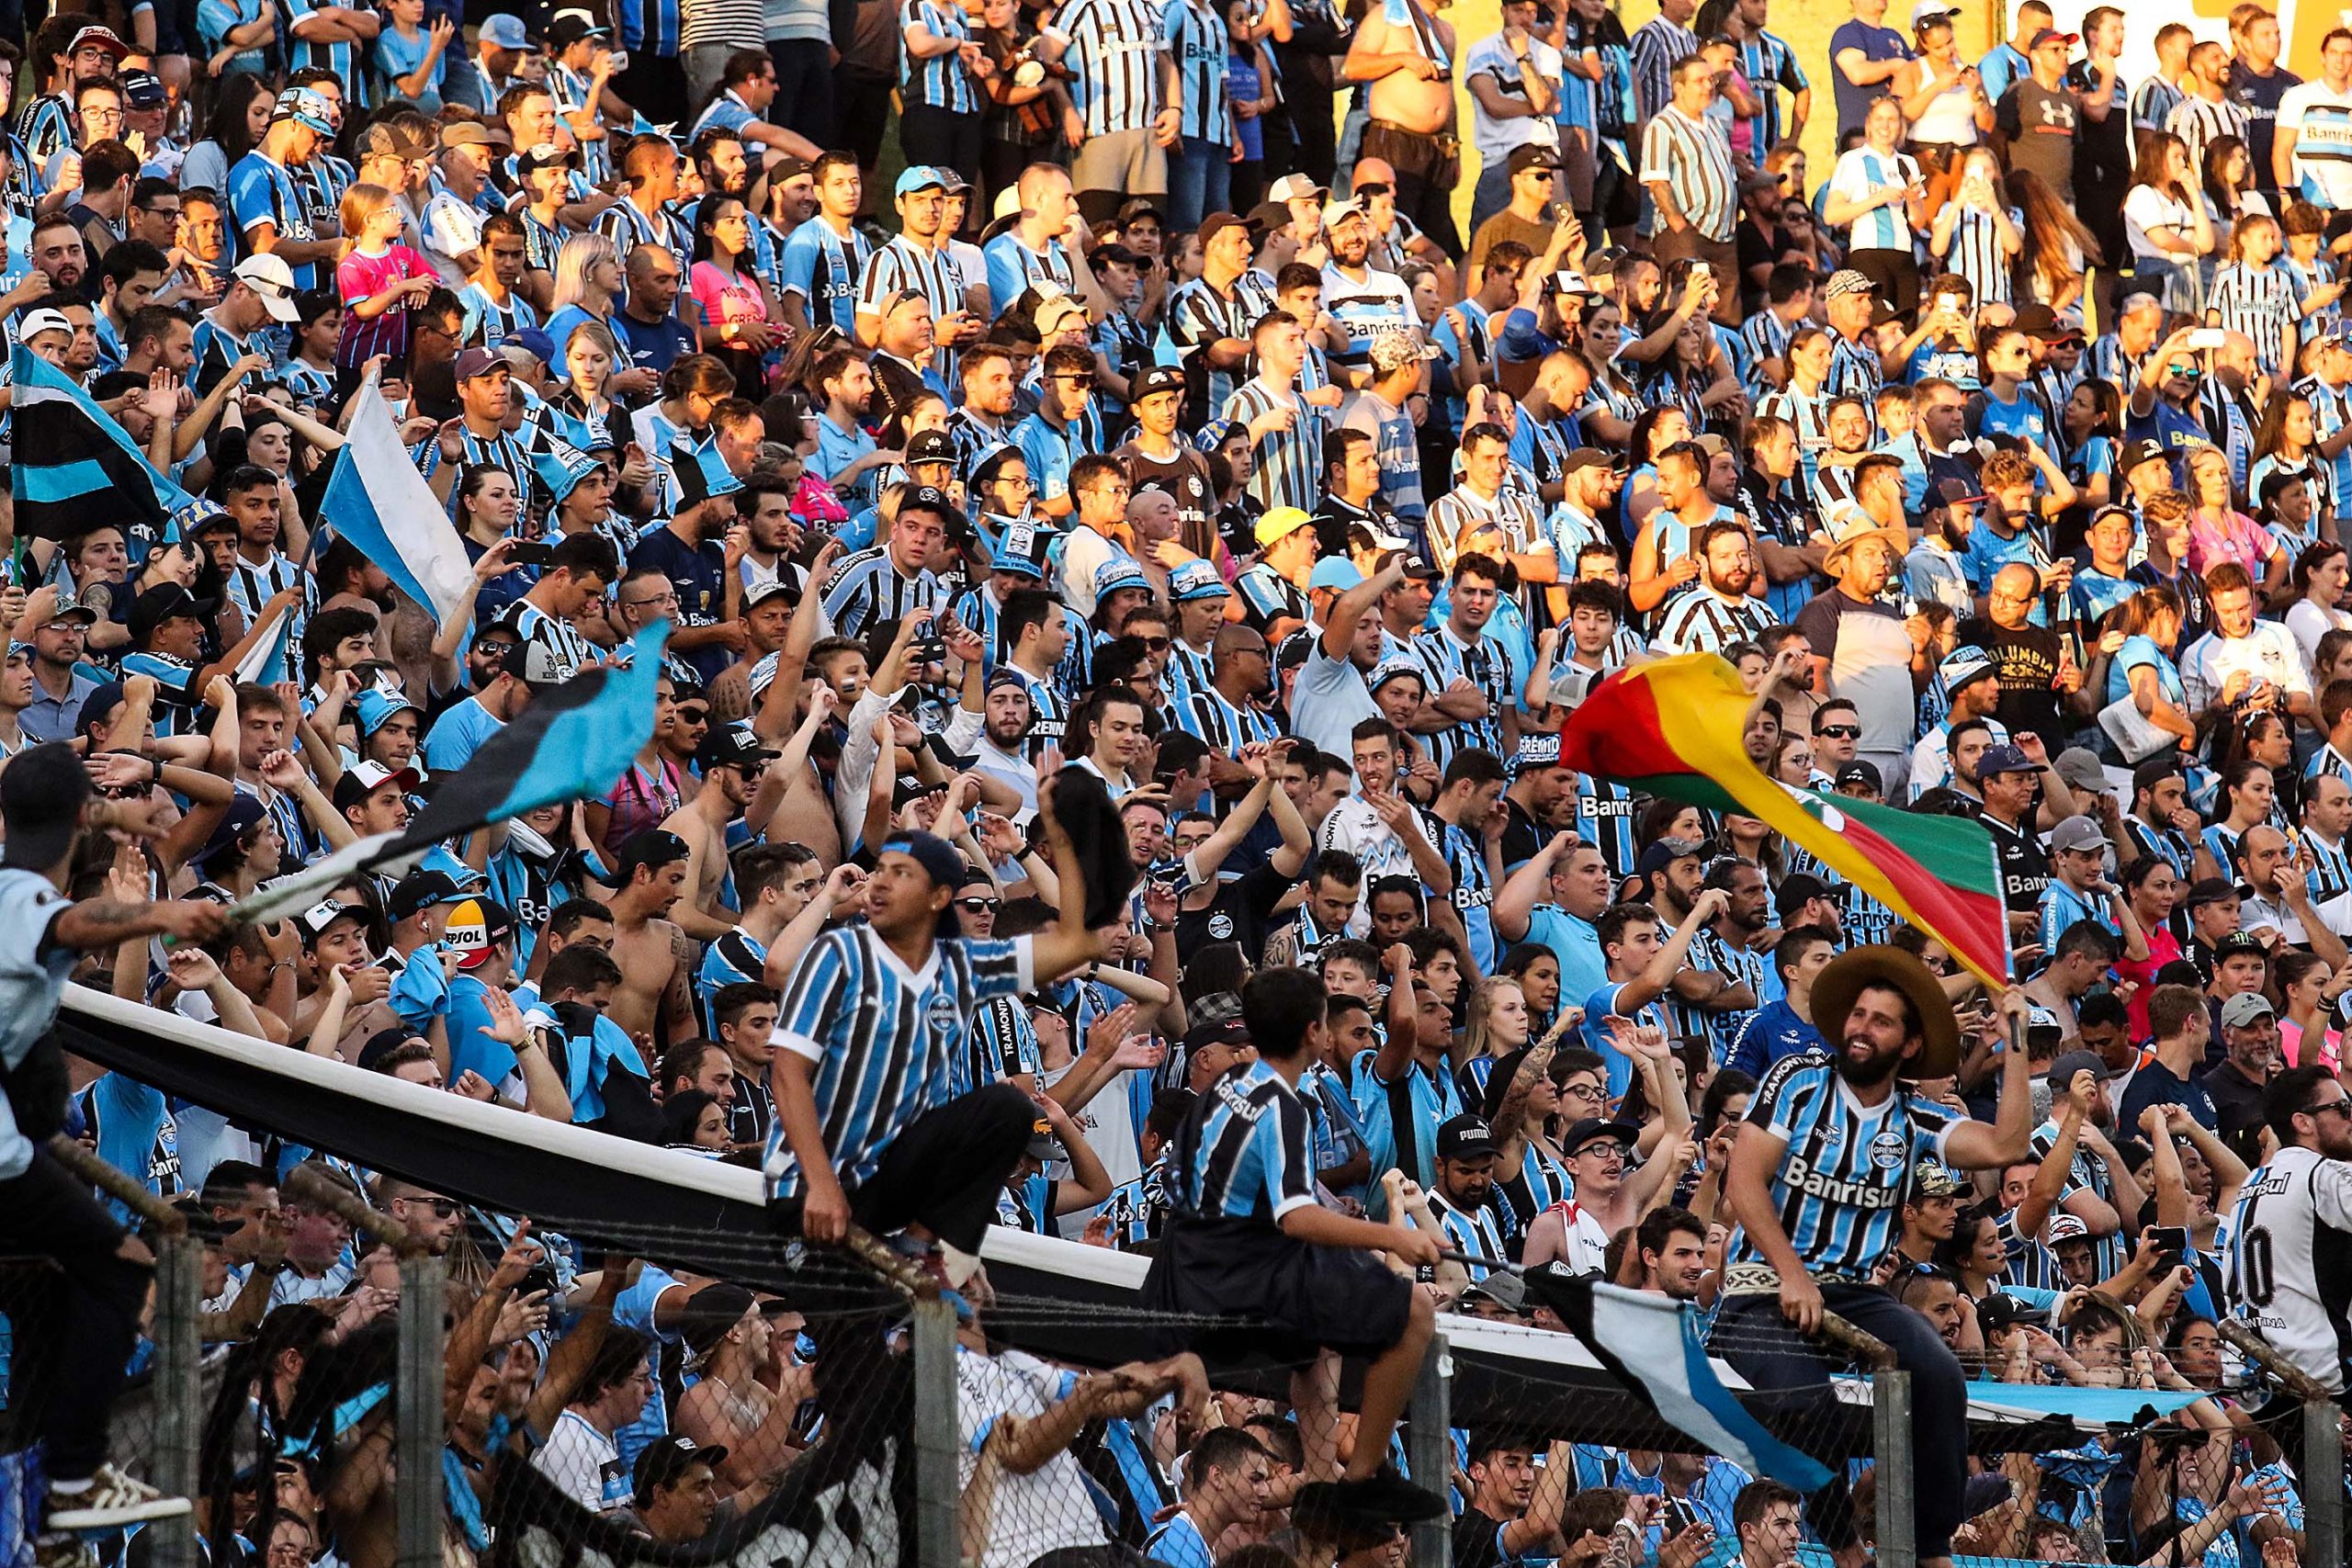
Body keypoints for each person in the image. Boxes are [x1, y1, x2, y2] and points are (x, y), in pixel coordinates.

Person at [1714, 946, 2030, 1567]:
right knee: (1806, 1402)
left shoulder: (1915, 1119)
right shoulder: (1796, 1080)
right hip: (1759, 1287)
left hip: (1855, 1293)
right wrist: (1792, 1272)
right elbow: (1743, 1184)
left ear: (1909, 1045)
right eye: (1857, 1014)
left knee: (1939, 1375)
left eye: (1881, 1020)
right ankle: (1841, 1544)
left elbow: (2008, 1142)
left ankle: (1931, 1547)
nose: (1861, 1027)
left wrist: (2014, 1037)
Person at [0, 744, 228, 1539]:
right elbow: (65, 922)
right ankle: (71, 1479)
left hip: (17, 1156)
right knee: (123, 1265)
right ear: (76, 821)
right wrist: (160, 914)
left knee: (55, 1292)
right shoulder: (20, 899)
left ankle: (48, 1499)